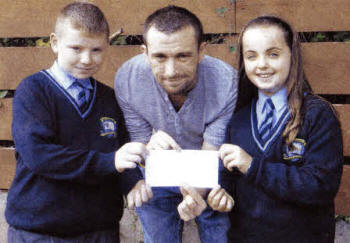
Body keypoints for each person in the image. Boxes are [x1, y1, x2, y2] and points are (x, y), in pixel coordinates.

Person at [180, 15, 344, 243]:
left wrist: (253, 166)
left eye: (273, 54)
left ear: (292, 56)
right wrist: (223, 197)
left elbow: (319, 187)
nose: (262, 64)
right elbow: (228, 179)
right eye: (251, 56)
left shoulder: (317, 115)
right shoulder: (237, 119)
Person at [5, 2, 146, 242]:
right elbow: (38, 154)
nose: (87, 59)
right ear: (55, 43)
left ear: (107, 46)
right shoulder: (33, 90)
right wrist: (109, 161)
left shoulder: (109, 98)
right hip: (40, 231)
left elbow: (120, 152)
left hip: (101, 230)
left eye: (96, 50)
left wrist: (133, 182)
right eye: (76, 48)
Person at [114, 5, 238, 243]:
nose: (171, 72)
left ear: (201, 51)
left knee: (220, 235)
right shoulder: (128, 78)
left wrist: (195, 197)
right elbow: (138, 142)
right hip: (155, 168)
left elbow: (210, 150)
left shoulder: (226, 82)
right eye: (159, 57)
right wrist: (148, 148)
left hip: (210, 169)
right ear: (144, 53)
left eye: (183, 56)